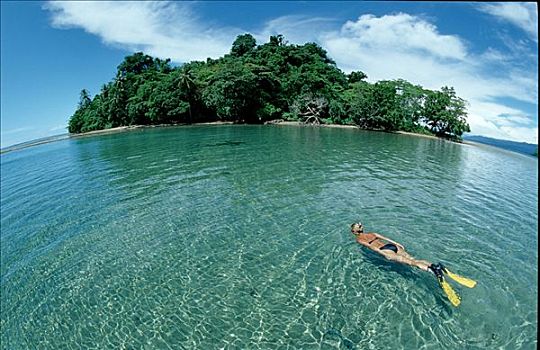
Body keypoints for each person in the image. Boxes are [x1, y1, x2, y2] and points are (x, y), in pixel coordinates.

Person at [350, 222, 445, 279]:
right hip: (391, 245)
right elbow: (386, 238)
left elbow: (372, 247)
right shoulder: (372, 233)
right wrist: (397, 244)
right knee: (413, 259)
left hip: (385, 250)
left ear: (354, 232)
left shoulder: (359, 240)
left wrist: (383, 253)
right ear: (362, 228)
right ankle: (434, 266)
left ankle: (433, 271)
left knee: (411, 262)